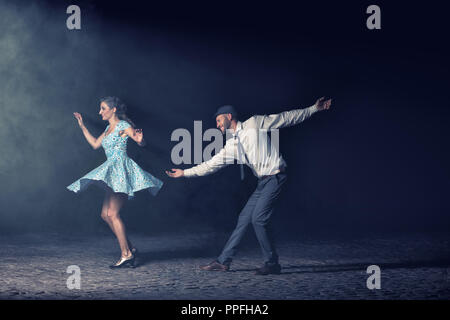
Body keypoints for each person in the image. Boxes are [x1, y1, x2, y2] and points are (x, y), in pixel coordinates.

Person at [166, 97, 331, 275]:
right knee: (244, 220)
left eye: (219, 120)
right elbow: (211, 164)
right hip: (262, 182)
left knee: (258, 219)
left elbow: (286, 118)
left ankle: (272, 263)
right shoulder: (232, 145)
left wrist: (313, 109)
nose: (218, 125)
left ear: (229, 116)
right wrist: (185, 172)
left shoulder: (254, 123)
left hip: (276, 177)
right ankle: (223, 261)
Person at [67, 96, 163, 268]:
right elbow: (96, 144)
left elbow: (140, 141)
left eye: (103, 108)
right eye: (100, 108)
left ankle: (126, 254)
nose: (100, 112)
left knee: (113, 214)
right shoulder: (107, 128)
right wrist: (82, 126)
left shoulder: (124, 126)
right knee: (105, 215)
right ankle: (131, 249)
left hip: (121, 170)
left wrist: (141, 141)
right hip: (111, 171)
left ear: (113, 110)